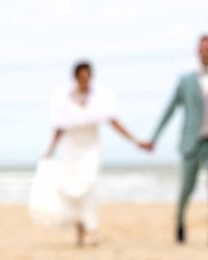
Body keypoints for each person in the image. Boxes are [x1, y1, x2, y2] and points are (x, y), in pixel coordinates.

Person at [141, 34, 208, 248]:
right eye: (203, 48)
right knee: (187, 188)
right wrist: (153, 138)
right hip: (191, 144)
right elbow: (170, 109)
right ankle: (181, 222)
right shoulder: (185, 81)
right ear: (197, 51)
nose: (206, 51)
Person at [39, 61, 146, 247]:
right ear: (76, 77)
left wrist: (135, 140)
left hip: (90, 147)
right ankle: (80, 229)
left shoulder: (100, 97)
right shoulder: (64, 97)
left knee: (88, 185)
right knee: (72, 189)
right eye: (81, 76)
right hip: (70, 147)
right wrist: (50, 150)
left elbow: (113, 121)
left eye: (87, 76)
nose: (85, 80)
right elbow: (60, 126)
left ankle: (91, 227)